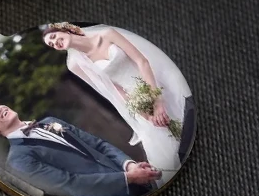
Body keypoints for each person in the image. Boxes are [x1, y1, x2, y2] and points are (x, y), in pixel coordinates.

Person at [40, 23, 190, 175]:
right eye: (51, 44)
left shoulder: (107, 34)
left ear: (65, 30)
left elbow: (142, 61)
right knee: (166, 144)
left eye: (54, 37)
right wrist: (146, 114)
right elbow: (114, 91)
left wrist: (157, 101)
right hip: (137, 100)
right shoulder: (74, 65)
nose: (55, 42)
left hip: (155, 83)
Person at [0, 102, 161, 196]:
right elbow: (70, 184)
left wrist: (129, 165)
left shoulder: (50, 122)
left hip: (138, 180)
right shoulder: (17, 159)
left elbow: (98, 145)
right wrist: (128, 178)